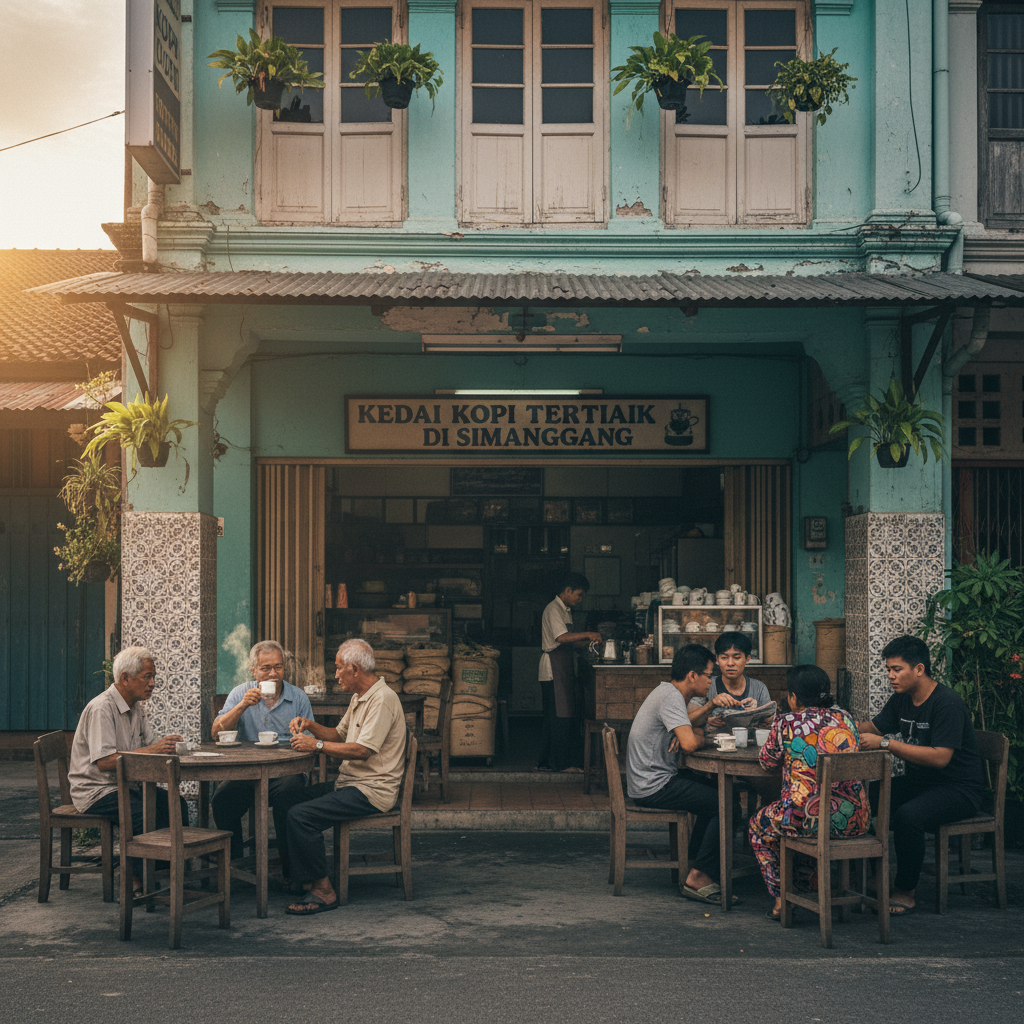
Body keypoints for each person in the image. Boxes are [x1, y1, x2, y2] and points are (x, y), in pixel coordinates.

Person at [272, 638, 407, 915]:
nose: (335, 675)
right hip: (350, 783)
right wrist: (310, 726)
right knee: (284, 801)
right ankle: (298, 876)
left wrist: (316, 745)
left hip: (372, 790)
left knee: (301, 815)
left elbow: (361, 750)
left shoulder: (382, 699)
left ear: (355, 669)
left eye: (338, 668)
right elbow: (339, 735)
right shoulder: (360, 697)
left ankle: (323, 890)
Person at [857, 635, 985, 916]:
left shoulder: (946, 703)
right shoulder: (901, 699)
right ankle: (871, 879)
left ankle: (905, 890)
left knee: (908, 816)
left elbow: (941, 757)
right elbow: (874, 727)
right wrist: (835, 723)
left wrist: (887, 744)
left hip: (959, 789)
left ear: (919, 669)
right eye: (888, 670)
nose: (891, 676)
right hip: (922, 783)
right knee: (860, 798)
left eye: (897, 669)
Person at [748, 664, 871, 920]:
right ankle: (807, 885)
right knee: (800, 812)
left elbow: (767, 762)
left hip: (806, 820)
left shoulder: (786, 721)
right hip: (852, 820)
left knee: (759, 826)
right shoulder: (846, 718)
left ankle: (782, 898)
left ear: (793, 697)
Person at [67, 646, 187, 892]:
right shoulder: (102, 707)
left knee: (176, 804)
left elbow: (148, 747)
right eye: (147, 676)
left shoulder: (135, 707)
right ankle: (134, 880)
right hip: (96, 791)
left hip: (124, 785)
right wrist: (155, 750)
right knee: (143, 814)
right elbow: (105, 762)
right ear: (125, 678)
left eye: (153, 676)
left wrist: (167, 747)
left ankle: (166, 871)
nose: (152, 683)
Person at [626, 643, 737, 905]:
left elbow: (693, 727)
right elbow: (689, 742)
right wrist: (697, 737)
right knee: (725, 804)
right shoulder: (671, 697)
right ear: (692, 676)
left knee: (720, 797)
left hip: (652, 779)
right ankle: (698, 876)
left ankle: (695, 868)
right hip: (654, 785)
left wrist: (694, 727)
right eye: (709, 675)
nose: (711, 682)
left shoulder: (668, 692)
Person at [211, 640, 314, 858]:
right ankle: (234, 865)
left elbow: (310, 742)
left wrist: (300, 737)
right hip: (246, 774)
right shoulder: (241, 693)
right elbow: (215, 732)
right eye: (265, 668)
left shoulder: (298, 697)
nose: (273, 674)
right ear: (254, 671)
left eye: (278, 667)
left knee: (289, 798)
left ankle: (291, 869)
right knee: (222, 799)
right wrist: (242, 706)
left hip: (285, 774)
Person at [536, 572, 603, 773]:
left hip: (563, 669)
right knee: (558, 719)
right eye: (579, 595)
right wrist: (588, 633)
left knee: (556, 717)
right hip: (553, 670)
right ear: (568, 590)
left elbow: (571, 641)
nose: (580, 599)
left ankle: (545, 762)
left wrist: (585, 642)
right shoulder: (553, 609)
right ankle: (560, 764)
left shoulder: (565, 610)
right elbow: (562, 637)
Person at [686, 631, 771, 733]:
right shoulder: (706, 685)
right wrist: (706, 718)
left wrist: (757, 714)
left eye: (737, 657)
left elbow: (769, 724)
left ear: (747, 659)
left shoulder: (759, 688)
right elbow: (686, 722)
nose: (730, 663)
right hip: (712, 746)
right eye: (724, 658)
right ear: (717, 659)